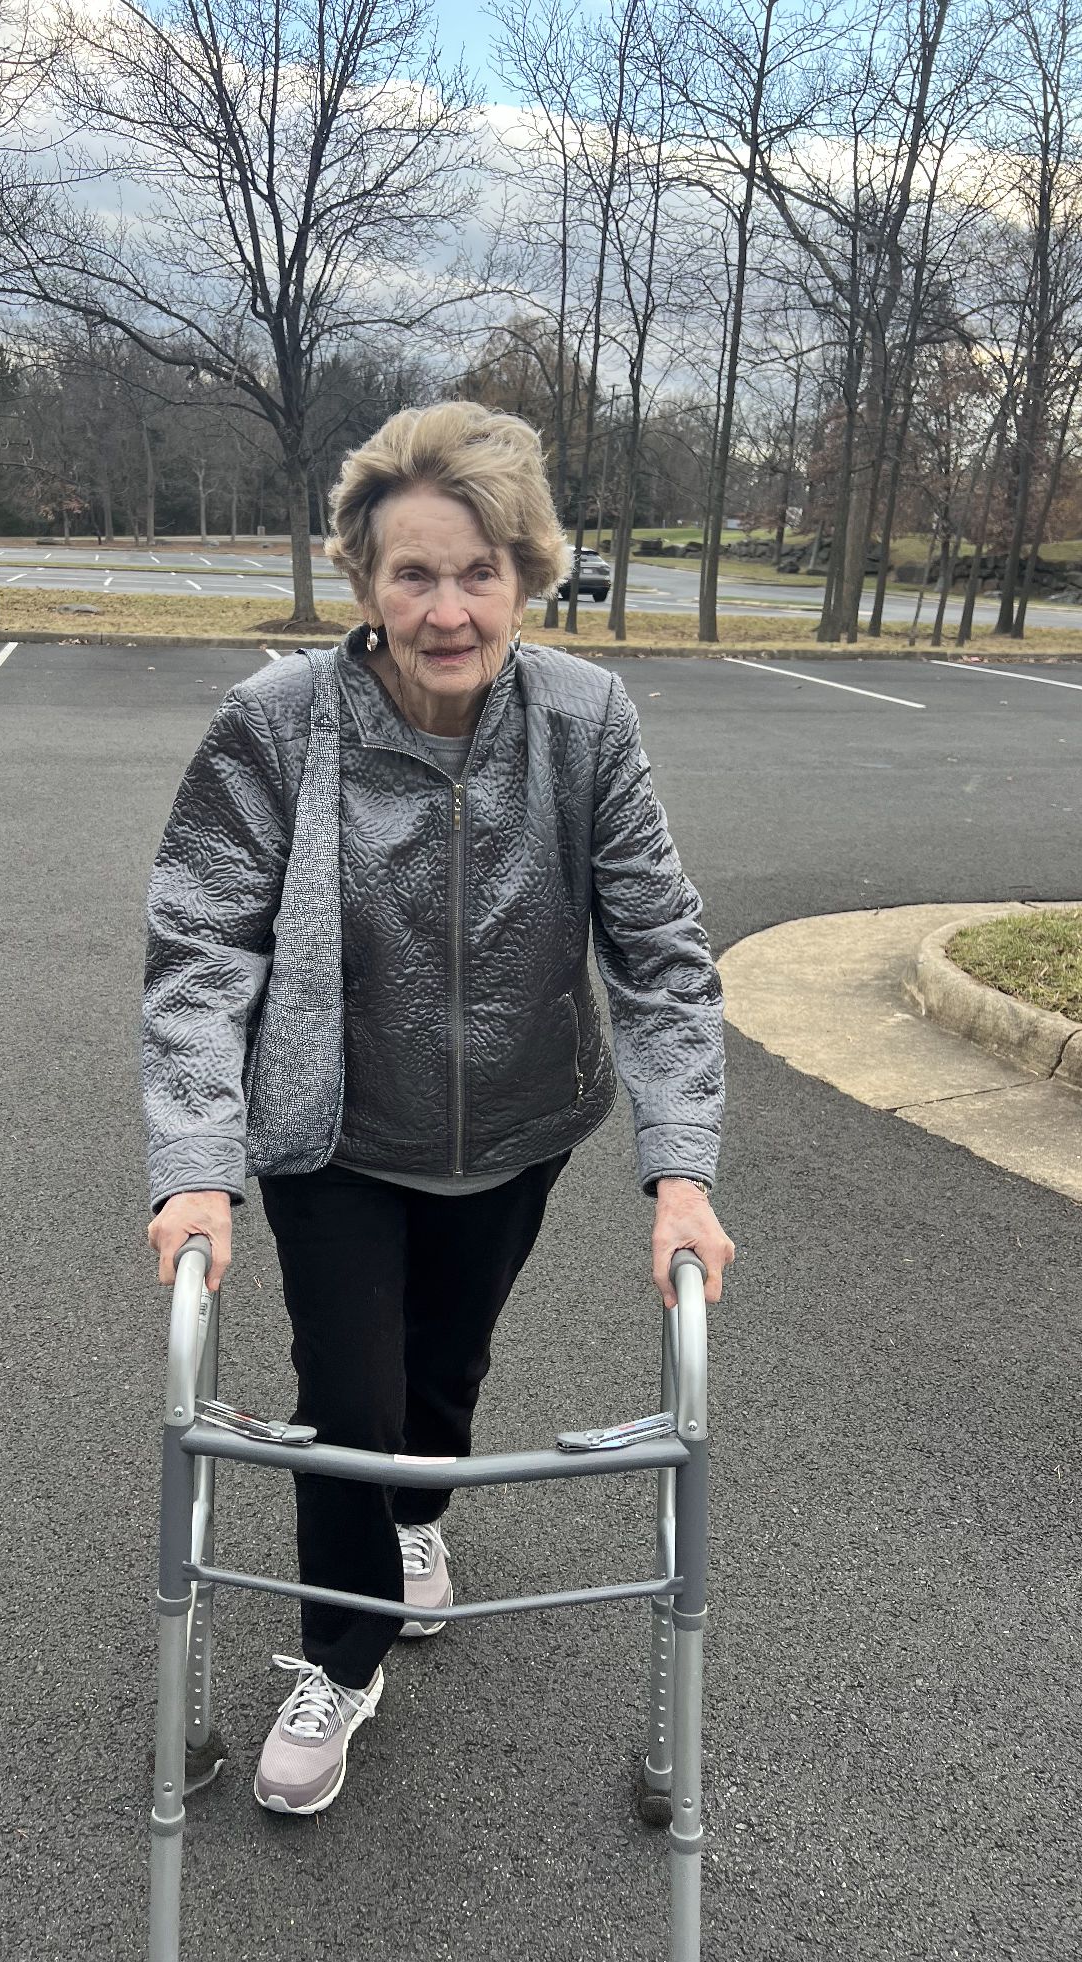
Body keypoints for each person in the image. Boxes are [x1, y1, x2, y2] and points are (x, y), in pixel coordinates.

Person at [142, 400, 733, 1816]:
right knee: (349, 1395)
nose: (448, 611)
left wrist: (683, 1172)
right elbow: (200, 948)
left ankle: (418, 1516)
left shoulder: (585, 721)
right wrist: (197, 1163)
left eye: (479, 573)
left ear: (527, 577)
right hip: (335, 1129)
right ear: (365, 581)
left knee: (442, 1373)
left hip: (518, 1126)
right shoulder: (278, 723)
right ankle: (339, 1656)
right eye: (414, 574)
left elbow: (659, 950)